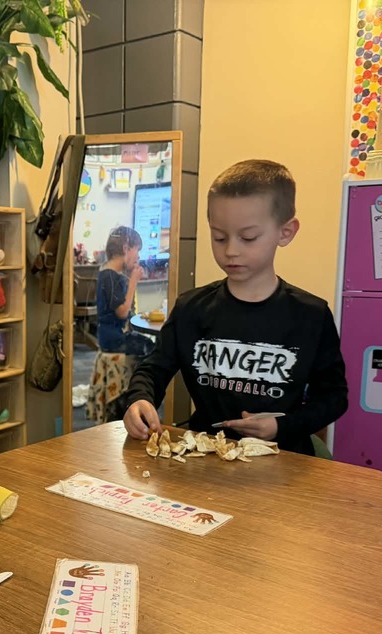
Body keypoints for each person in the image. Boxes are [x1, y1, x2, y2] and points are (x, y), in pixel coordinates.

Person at [122, 159, 347, 455]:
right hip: (205, 456)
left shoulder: (311, 315)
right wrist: (139, 399)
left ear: (286, 232)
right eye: (219, 237)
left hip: (282, 460)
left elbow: (333, 397)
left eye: (248, 237)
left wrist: (283, 427)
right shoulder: (192, 308)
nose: (231, 250)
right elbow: (152, 370)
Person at [95, 225, 152, 356]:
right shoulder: (109, 276)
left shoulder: (113, 275)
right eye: (137, 250)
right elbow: (122, 312)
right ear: (126, 249)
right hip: (114, 340)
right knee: (153, 351)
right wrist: (133, 282)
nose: (138, 256)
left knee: (151, 347)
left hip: (116, 337)